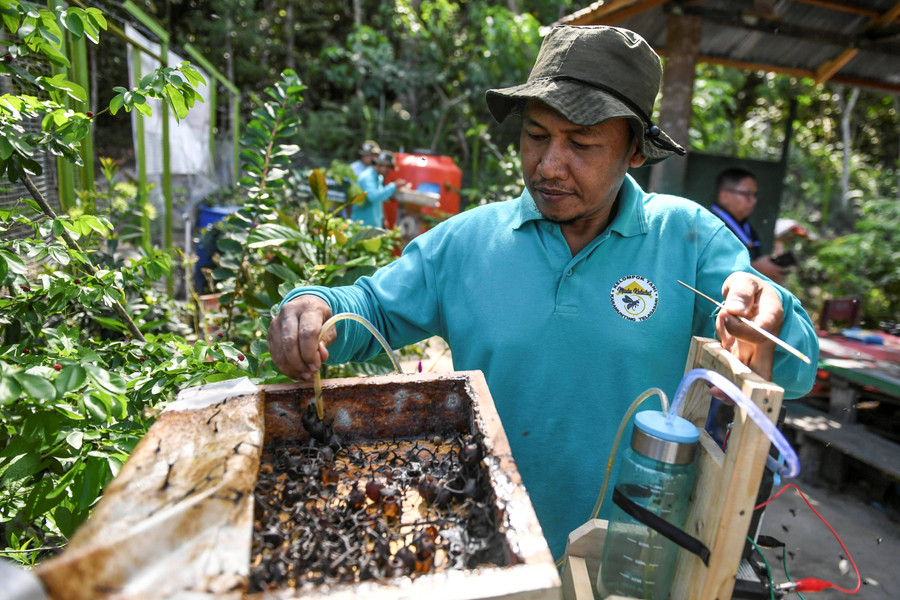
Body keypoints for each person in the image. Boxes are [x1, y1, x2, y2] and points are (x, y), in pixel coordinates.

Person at [267, 25, 819, 560]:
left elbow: (796, 370)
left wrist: (770, 321)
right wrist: (313, 308)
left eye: (581, 143)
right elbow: (371, 311)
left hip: (628, 559)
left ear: (634, 150)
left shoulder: (690, 240)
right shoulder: (467, 242)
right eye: (535, 136)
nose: (550, 166)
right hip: (489, 544)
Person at [711, 168, 787, 283]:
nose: (753, 200)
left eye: (755, 195)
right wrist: (755, 268)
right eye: (747, 194)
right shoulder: (710, 224)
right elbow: (710, 267)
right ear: (724, 196)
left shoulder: (746, 227)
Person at [354, 150, 408, 228]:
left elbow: (380, 198)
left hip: (373, 225)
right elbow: (373, 197)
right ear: (379, 164)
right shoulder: (367, 177)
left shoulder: (379, 177)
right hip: (361, 225)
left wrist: (383, 219)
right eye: (388, 167)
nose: (389, 171)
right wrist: (394, 185)